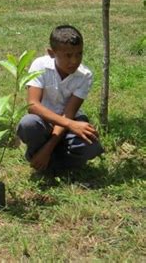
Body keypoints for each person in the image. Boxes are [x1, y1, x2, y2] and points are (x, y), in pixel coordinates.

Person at [16, 25, 104, 173]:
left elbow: (69, 113)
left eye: (79, 54)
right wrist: (70, 124)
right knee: (28, 124)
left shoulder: (85, 75)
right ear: (52, 53)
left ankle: (48, 160)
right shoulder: (40, 65)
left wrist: (48, 148)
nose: (74, 61)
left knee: (91, 146)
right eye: (68, 55)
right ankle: (43, 157)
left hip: (70, 119)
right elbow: (32, 105)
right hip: (44, 120)